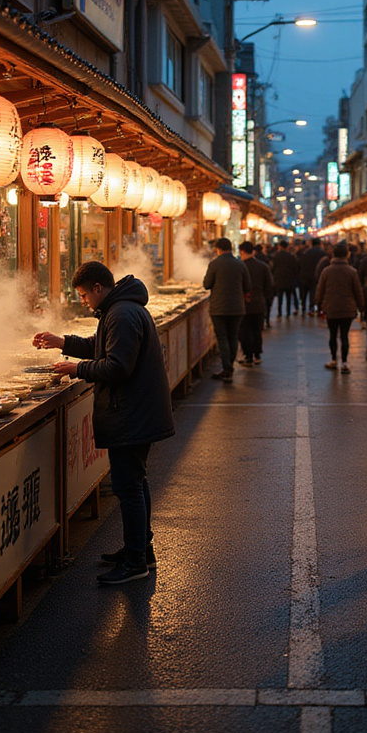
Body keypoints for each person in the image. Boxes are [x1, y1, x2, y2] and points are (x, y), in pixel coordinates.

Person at [34, 261, 175, 586]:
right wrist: (63, 341)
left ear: (98, 288)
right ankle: (140, 549)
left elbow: (117, 366)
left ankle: (136, 560)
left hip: (132, 414)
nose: (84, 302)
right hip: (137, 412)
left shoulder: (122, 314)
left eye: (84, 295)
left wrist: (78, 369)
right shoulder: (120, 310)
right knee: (136, 483)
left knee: (129, 487)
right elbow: (101, 346)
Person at [203, 237, 251, 382]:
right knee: (233, 337)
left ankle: (227, 368)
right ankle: (229, 366)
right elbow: (248, 286)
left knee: (222, 338)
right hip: (237, 307)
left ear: (218, 249)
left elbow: (206, 284)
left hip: (219, 308)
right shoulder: (240, 264)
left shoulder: (214, 264)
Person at [315, 242, 364, 373]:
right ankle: (345, 362)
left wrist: (319, 304)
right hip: (348, 308)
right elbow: (358, 291)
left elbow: (320, 289)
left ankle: (333, 360)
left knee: (332, 334)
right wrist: (361, 307)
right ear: (347, 255)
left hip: (331, 308)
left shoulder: (326, 271)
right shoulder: (352, 271)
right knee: (344, 335)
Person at [238, 241, 273, 365]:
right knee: (257, 330)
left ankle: (248, 357)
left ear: (242, 251)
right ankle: (257, 355)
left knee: (245, 330)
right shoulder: (263, 266)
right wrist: (266, 300)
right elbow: (269, 285)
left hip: (244, 303)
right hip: (259, 303)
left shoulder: (240, 266)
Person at [271, 239, 300, 317]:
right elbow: (295, 268)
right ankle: (288, 312)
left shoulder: (275, 256)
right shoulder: (291, 257)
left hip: (279, 279)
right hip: (289, 279)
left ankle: (279, 312)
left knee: (280, 297)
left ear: (280, 246)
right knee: (288, 297)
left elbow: (272, 268)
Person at [297, 237, 326, 315]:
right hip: (316, 276)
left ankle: (303, 307)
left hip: (305, 275)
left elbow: (300, 264)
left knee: (304, 292)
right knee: (313, 292)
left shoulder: (305, 253)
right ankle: (312, 307)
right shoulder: (323, 254)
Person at [254, 244, 274, 328]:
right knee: (267, 304)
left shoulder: (252, 260)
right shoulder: (266, 259)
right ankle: (267, 320)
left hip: (256, 286)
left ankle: (260, 322)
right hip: (264, 285)